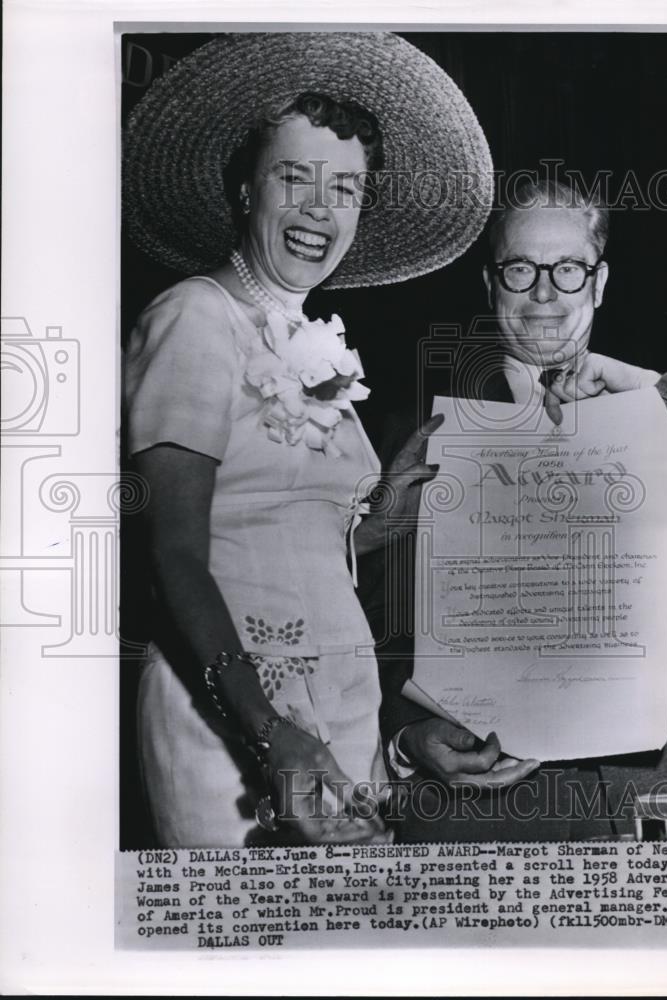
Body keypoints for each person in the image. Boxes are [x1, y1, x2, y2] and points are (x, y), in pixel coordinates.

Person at [122, 32, 493, 847]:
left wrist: (380, 516)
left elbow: (284, 534)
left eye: (347, 188)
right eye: (295, 177)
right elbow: (173, 554)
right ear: (244, 188)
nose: (321, 210)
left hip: (339, 714)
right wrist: (268, 734)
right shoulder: (195, 316)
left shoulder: (304, 333)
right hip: (239, 722)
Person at [372, 178, 667, 841]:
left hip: (653, 795)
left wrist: (644, 387)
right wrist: (407, 736)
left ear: (600, 281)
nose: (546, 294)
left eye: (569, 269)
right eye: (522, 268)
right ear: (490, 282)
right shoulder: (417, 428)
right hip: (491, 809)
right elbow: (351, 611)